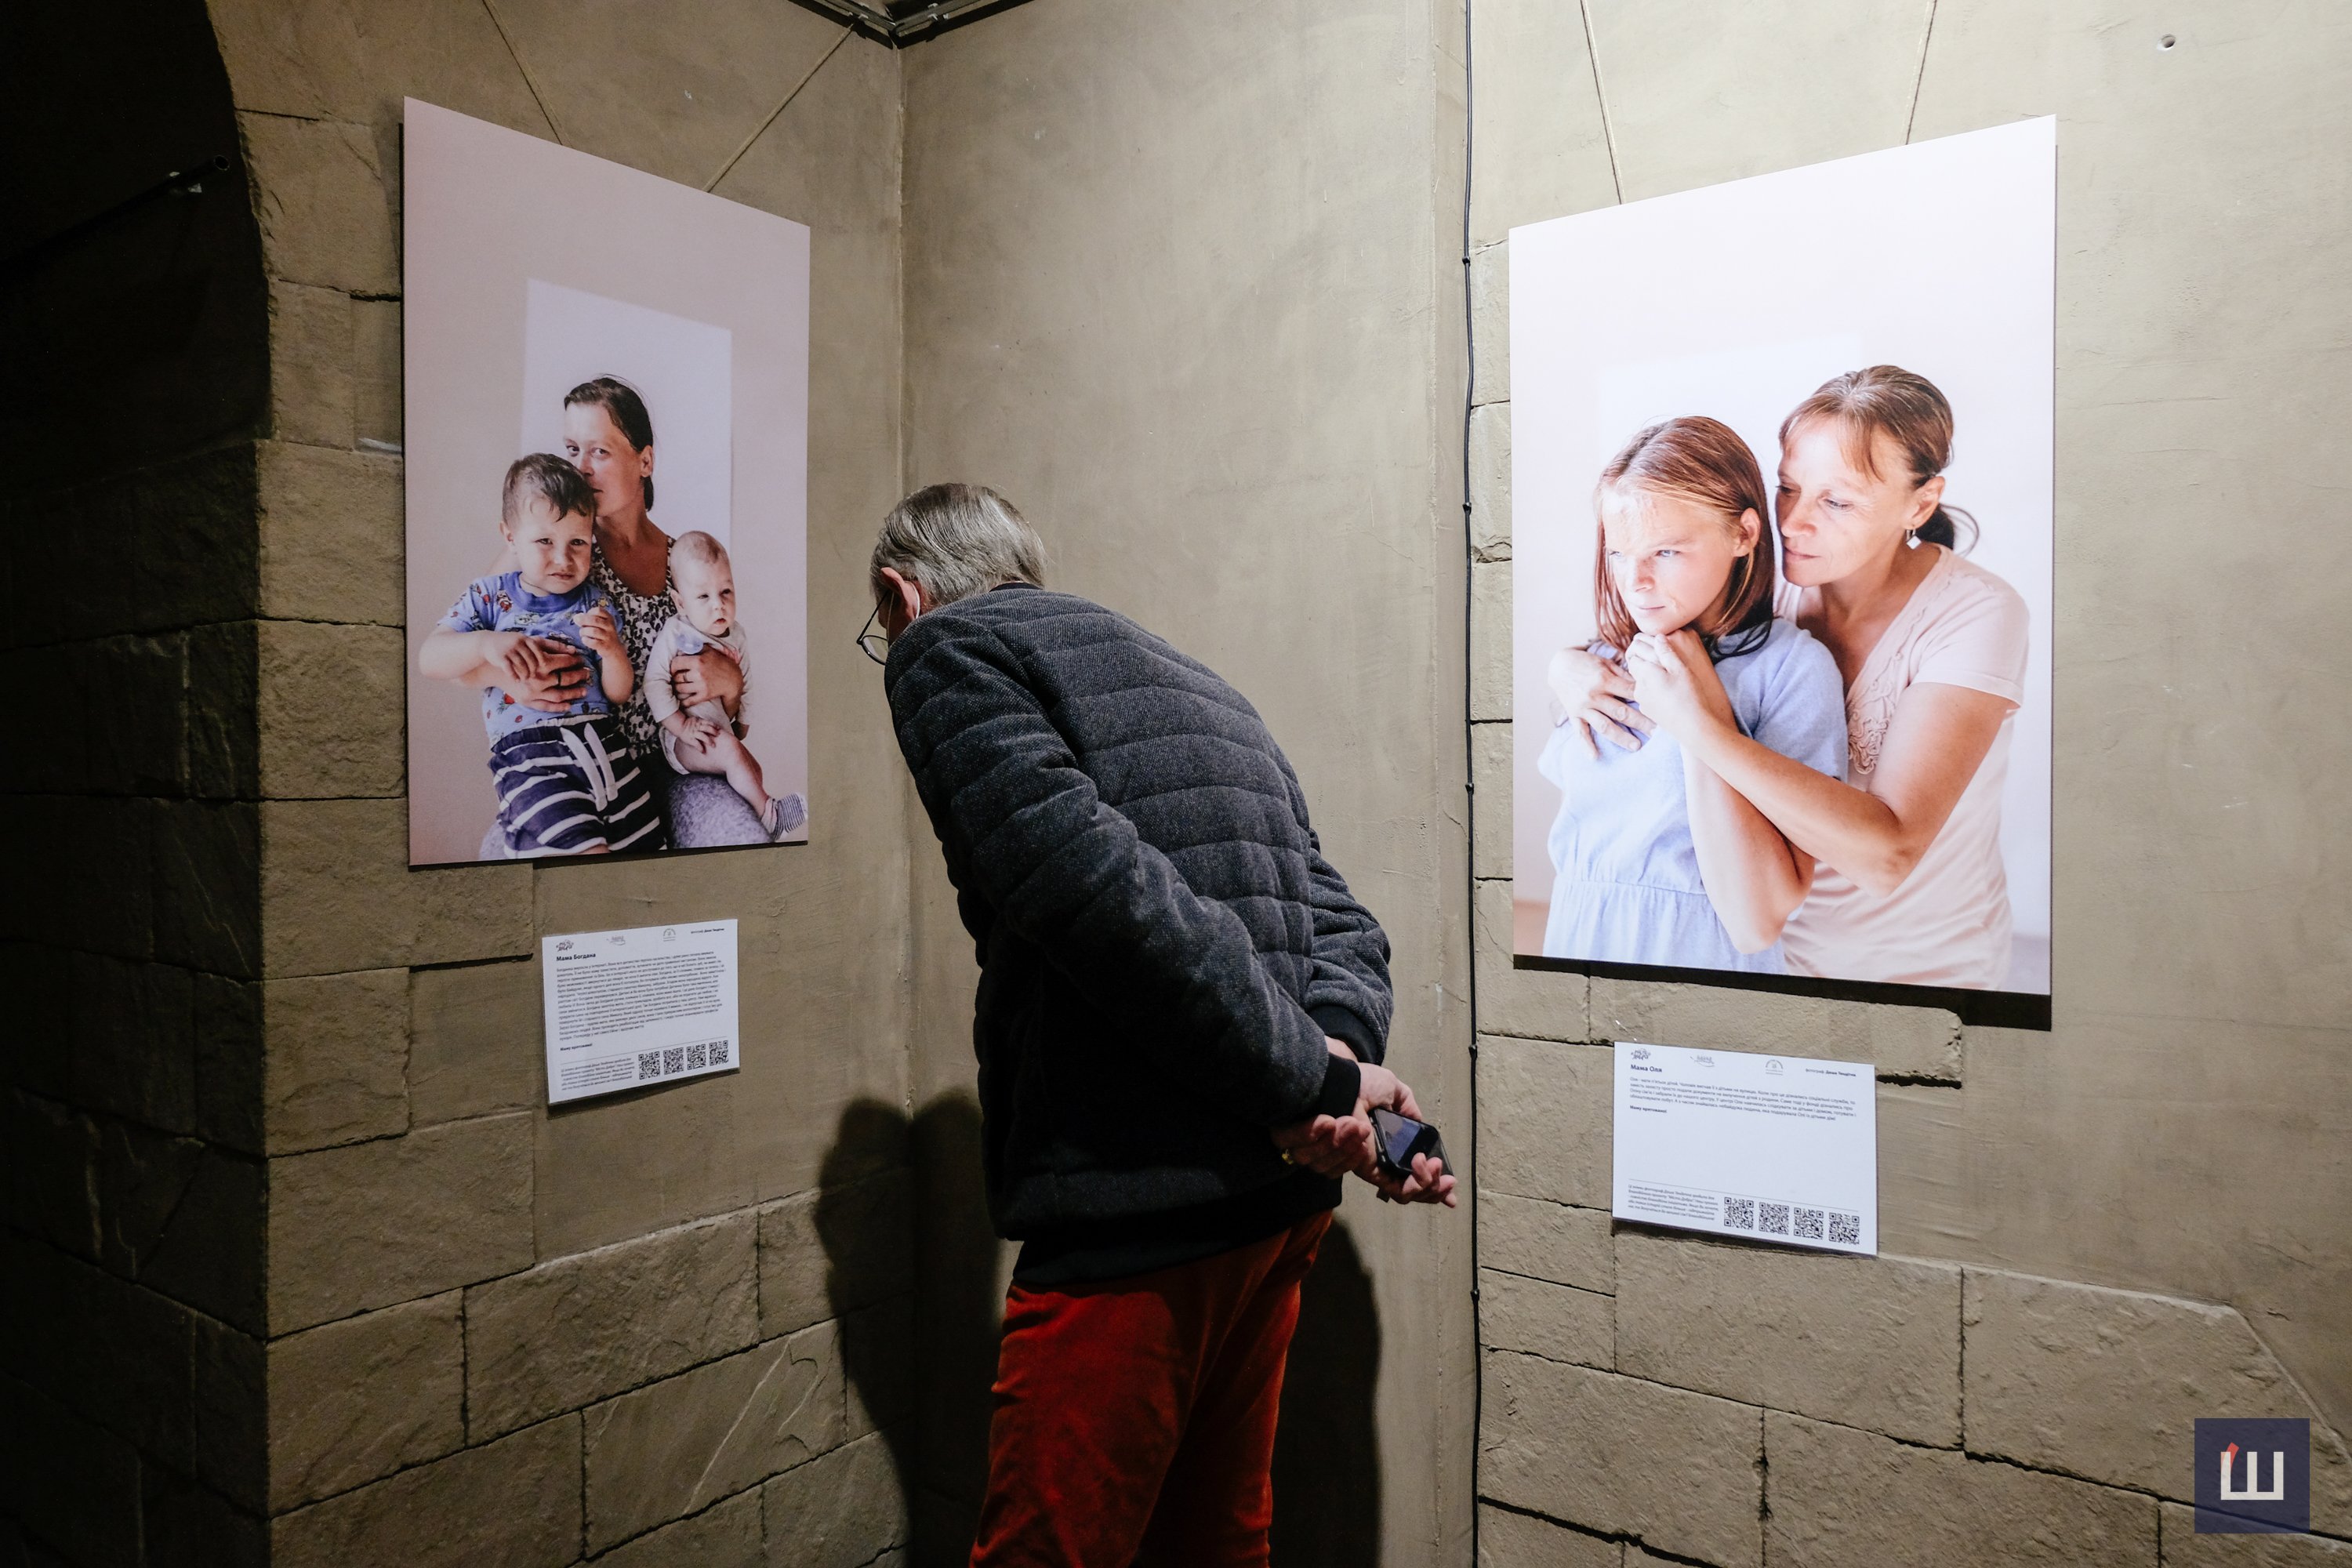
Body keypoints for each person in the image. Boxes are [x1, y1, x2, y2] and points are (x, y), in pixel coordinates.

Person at [868, 483, 1454, 1567]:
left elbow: (1099, 901)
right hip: (1275, 1201)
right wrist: (1333, 1063)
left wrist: (1319, 1086)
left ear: (904, 597)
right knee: (1217, 1539)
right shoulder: (1195, 678)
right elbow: (1341, 920)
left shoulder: (945, 649)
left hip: (1133, 1202)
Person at [1553, 366, 2030, 988]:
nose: (1794, 522)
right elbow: (1646, 613)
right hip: (1765, 956)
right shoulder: (1768, 589)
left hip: (1914, 970)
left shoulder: (1977, 613)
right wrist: (1567, 667)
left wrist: (1703, 728)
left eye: (1836, 501)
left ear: (1920, 503)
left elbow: (1888, 857)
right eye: (1788, 487)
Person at [1537, 418, 1846, 971]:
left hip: (1702, 957)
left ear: (1743, 535)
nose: (1635, 582)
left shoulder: (1791, 669)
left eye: (1666, 552)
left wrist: (1696, 712)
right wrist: (1562, 668)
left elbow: (1759, 921)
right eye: (1618, 553)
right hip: (1578, 936)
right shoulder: (1601, 661)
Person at [490, 376, 769, 848]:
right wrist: (510, 673)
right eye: (572, 449)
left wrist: (732, 684)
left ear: (645, 460)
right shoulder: (560, 555)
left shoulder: (687, 561)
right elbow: (467, 643)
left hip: (680, 763)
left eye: (599, 451)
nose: (581, 467)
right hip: (582, 770)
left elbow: (728, 715)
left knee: (740, 835)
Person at [418, 454, 659, 856]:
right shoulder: (489, 596)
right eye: (545, 541)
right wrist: (484, 644)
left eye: (578, 542)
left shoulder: (594, 602)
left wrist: (612, 650)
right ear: (510, 536)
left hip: (607, 747)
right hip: (532, 758)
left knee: (646, 857)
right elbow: (429, 658)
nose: (563, 559)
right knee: (580, 854)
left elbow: (618, 693)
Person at [644, 531, 805, 841]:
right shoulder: (676, 632)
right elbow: (654, 683)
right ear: (680, 602)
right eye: (703, 597)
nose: (718, 606)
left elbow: (746, 684)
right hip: (683, 743)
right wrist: (681, 727)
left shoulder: (737, 635)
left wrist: (743, 723)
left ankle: (763, 818)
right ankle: (770, 815)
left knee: (753, 768)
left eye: (726, 591)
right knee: (733, 753)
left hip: (719, 732)